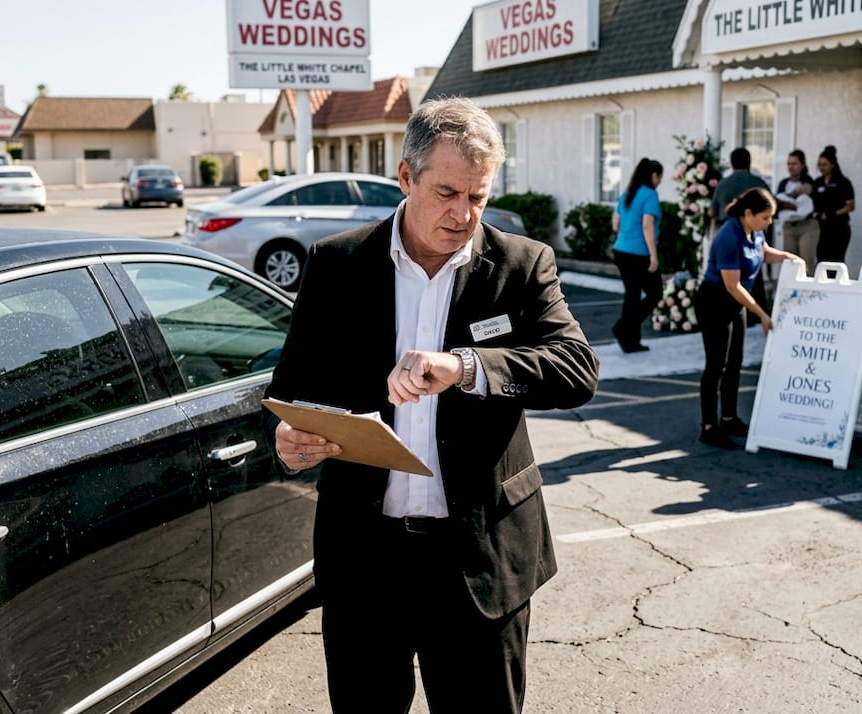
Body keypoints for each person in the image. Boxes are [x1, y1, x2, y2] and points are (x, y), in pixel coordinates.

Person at [264, 97, 600, 713]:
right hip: (367, 560)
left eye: (477, 196)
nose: (463, 214)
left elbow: (577, 370)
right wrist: (291, 440)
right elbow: (293, 389)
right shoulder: (336, 263)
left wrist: (468, 366)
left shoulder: (522, 267)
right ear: (405, 177)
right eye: (446, 192)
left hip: (479, 561)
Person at [695, 187, 801, 449]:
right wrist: (763, 314)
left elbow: (764, 252)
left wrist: (788, 257)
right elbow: (733, 286)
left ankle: (729, 418)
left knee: (735, 361)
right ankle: (709, 427)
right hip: (715, 301)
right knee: (716, 364)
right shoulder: (728, 237)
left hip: (734, 303)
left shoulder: (754, 231)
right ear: (748, 213)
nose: (769, 222)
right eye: (765, 217)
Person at [611, 157, 664, 353]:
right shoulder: (650, 195)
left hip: (621, 250)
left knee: (632, 296)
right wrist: (653, 255)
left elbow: (615, 223)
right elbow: (647, 225)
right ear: (653, 175)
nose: (659, 181)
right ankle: (624, 328)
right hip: (638, 253)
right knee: (655, 293)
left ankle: (630, 341)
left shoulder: (627, 193)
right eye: (659, 177)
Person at [774, 149, 819, 275]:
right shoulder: (783, 183)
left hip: (807, 225)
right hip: (789, 226)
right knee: (790, 263)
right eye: (788, 164)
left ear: (802, 165)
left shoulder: (808, 181)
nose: (791, 167)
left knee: (806, 262)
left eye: (794, 164)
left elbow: (814, 201)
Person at [812, 145, 856, 268]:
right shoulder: (817, 182)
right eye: (819, 165)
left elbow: (850, 206)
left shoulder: (843, 182)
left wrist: (832, 214)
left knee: (836, 260)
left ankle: (836, 286)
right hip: (822, 228)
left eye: (824, 164)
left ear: (833, 165)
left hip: (839, 228)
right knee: (821, 259)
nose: (821, 168)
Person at [710, 147, 768, 224]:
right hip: (753, 228)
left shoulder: (722, 184)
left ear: (732, 164)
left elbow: (712, 212)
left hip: (727, 228)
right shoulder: (759, 183)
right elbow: (771, 206)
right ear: (749, 162)